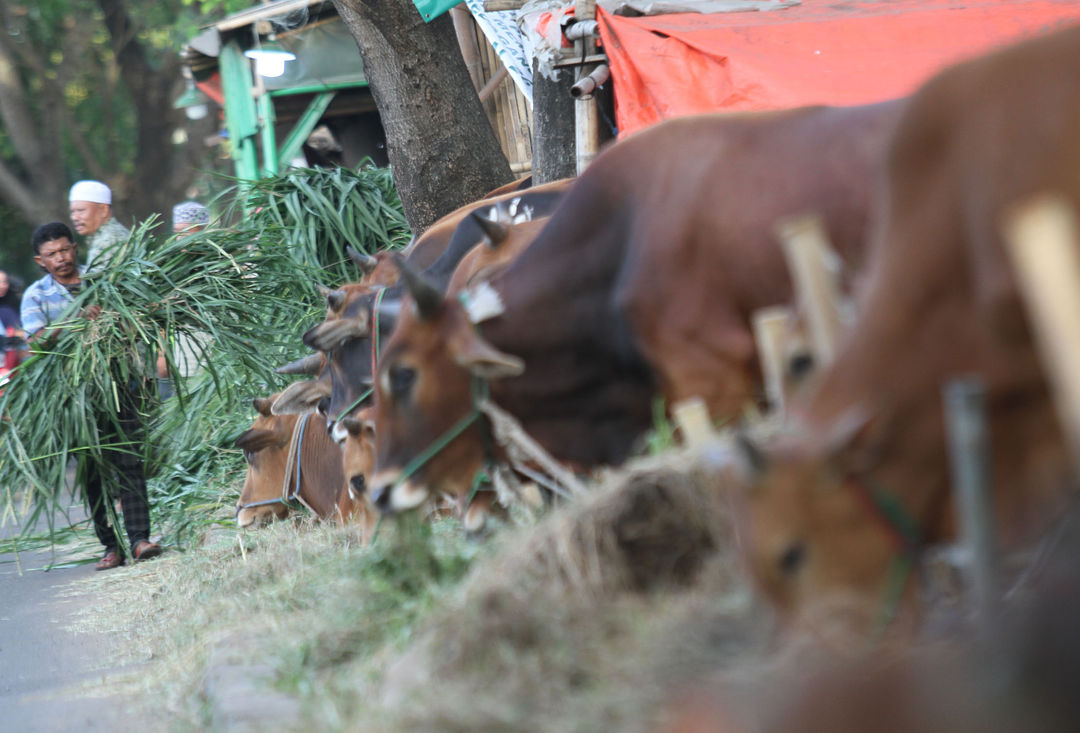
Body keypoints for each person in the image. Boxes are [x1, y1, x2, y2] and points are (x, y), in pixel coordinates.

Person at [21, 221, 162, 570]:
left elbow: (132, 322)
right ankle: (110, 547)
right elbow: (36, 342)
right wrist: (76, 319)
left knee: (129, 462)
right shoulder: (36, 295)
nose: (61, 258)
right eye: (52, 254)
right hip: (74, 398)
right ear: (40, 260)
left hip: (118, 385)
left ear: (75, 248)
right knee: (93, 472)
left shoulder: (101, 280)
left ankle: (140, 539)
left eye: (66, 249)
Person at [69, 180, 130, 271]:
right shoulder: (106, 235)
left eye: (81, 210)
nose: (74, 217)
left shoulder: (109, 239)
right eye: (73, 212)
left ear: (104, 210)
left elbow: (96, 282)